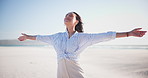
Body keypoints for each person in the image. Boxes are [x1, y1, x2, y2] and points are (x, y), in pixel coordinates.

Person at [18, 12, 147, 78]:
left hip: (76, 72)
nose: (67, 17)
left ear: (76, 21)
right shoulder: (56, 37)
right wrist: (27, 37)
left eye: (70, 16)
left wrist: (129, 34)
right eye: (65, 15)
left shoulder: (83, 37)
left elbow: (106, 35)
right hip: (61, 73)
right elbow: (41, 38)